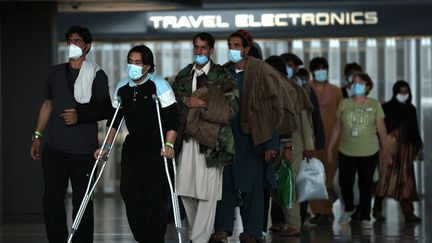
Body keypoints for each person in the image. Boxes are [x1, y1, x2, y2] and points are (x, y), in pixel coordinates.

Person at [210, 29, 296, 243]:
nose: (232, 50)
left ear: (247, 49)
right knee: (224, 187)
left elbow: (273, 111)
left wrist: (272, 144)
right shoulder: (223, 72)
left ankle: (252, 232)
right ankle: (222, 229)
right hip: (227, 139)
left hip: (253, 141)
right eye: (230, 46)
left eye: (237, 46)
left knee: (254, 190)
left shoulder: (262, 72)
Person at [30, 26, 112, 243]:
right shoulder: (55, 72)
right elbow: (47, 104)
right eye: (69, 41)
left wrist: (80, 115)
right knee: (52, 200)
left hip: (83, 150)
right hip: (54, 148)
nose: (71, 45)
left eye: (76, 41)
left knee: (83, 201)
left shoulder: (97, 74)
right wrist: (37, 135)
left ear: (87, 46)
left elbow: (106, 109)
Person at [95, 45, 179, 243]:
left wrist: (169, 145)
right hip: (132, 150)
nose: (132, 66)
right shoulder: (122, 87)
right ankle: (142, 238)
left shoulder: (159, 86)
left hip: (155, 151)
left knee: (155, 199)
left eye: (138, 62)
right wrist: (105, 148)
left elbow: (173, 121)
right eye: (130, 62)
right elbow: (114, 121)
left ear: (148, 66)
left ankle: (155, 239)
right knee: (130, 195)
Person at [172, 32, 239, 243]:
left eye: (203, 48)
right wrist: (186, 102)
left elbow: (233, 108)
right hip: (187, 140)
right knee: (184, 190)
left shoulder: (223, 76)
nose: (199, 51)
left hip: (212, 142)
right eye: (196, 47)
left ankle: (199, 239)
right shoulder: (183, 75)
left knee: (208, 193)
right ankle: (203, 234)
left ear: (211, 50)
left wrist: (204, 105)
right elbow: (173, 105)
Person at [327, 72, 390, 229]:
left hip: (369, 151)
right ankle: (349, 208)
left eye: (361, 83)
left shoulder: (374, 105)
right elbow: (337, 127)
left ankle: (366, 215)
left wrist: (385, 151)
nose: (357, 85)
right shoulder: (344, 104)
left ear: (368, 86)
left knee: (365, 184)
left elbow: (382, 130)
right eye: (354, 82)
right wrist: (329, 147)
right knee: (345, 182)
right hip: (346, 150)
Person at [265, 56, 314, 236]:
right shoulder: (269, 87)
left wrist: (309, 146)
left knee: (288, 183)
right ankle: (287, 222)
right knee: (279, 184)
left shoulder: (295, 90)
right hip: (274, 143)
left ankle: (294, 224)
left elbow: (304, 122)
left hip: (293, 144)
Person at [374, 80, 423, 222]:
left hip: (405, 149)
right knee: (384, 178)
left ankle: (408, 213)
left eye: (405, 92)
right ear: (395, 92)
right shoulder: (387, 108)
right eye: (400, 92)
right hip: (388, 147)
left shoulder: (411, 109)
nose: (403, 95)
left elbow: (414, 130)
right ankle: (376, 209)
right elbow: (381, 129)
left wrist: (417, 146)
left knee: (406, 180)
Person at [308, 57, 343, 225]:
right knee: (314, 176)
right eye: (318, 69)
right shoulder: (306, 90)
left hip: (332, 142)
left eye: (324, 68)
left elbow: (341, 117)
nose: (321, 72)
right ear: (312, 71)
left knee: (329, 177)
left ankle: (328, 209)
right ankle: (318, 211)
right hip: (312, 140)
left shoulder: (336, 91)